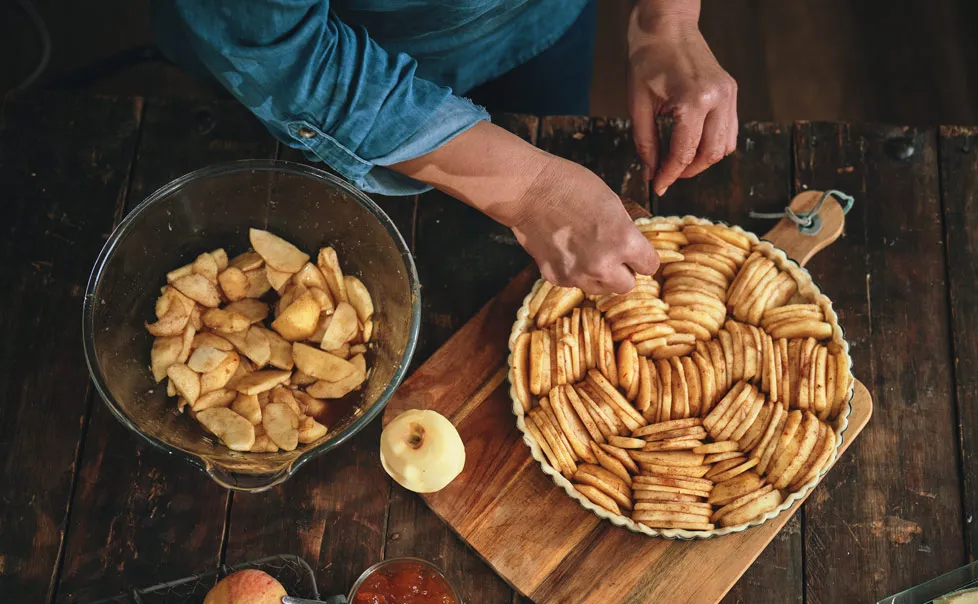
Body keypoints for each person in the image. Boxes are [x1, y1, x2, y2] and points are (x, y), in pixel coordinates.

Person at [152, 0, 737, 295]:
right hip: (348, 62)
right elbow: (282, 56)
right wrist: (530, 190)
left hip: (538, 24)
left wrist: (668, 21)